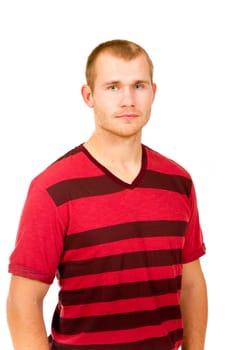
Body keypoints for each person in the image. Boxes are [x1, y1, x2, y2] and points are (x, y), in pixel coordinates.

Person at [7, 39, 208, 350]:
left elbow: (191, 284)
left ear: (153, 92)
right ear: (89, 95)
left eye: (138, 86)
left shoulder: (178, 182)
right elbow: (23, 301)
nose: (128, 99)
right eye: (113, 87)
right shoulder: (53, 188)